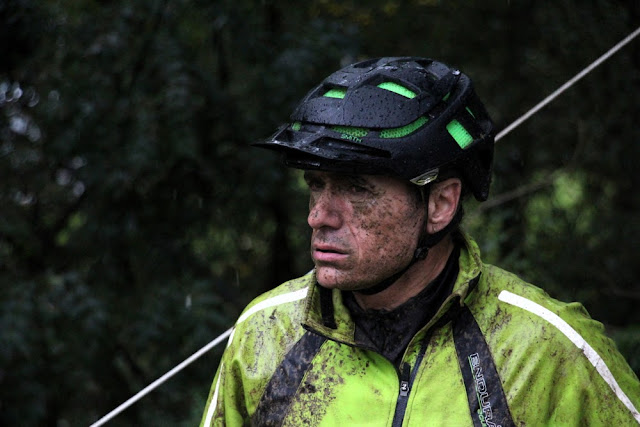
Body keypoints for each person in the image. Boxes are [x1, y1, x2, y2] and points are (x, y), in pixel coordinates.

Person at [200, 57, 640, 426]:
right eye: (316, 185)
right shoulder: (264, 335)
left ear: (440, 204)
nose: (319, 216)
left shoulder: (546, 351)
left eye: (357, 189)